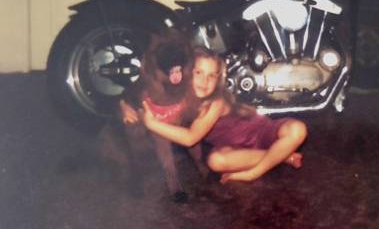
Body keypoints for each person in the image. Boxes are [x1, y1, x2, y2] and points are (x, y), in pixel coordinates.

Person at [141, 46, 308, 183]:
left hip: (263, 133)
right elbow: (148, 94)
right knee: (215, 161)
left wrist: (152, 124)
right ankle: (281, 155)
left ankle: (257, 169)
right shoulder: (181, 97)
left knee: (298, 129)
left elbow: (190, 138)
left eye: (211, 76)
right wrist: (125, 106)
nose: (204, 81)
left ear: (219, 79)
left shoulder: (216, 101)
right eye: (198, 73)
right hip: (235, 150)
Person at [119, 29, 206, 203]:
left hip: (181, 117)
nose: (175, 72)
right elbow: (128, 93)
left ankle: (202, 167)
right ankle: (174, 185)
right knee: (161, 143)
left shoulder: (189, 72)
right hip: (157, 121)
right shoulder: (148, 78)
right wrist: (123, 104)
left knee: (192, 133)